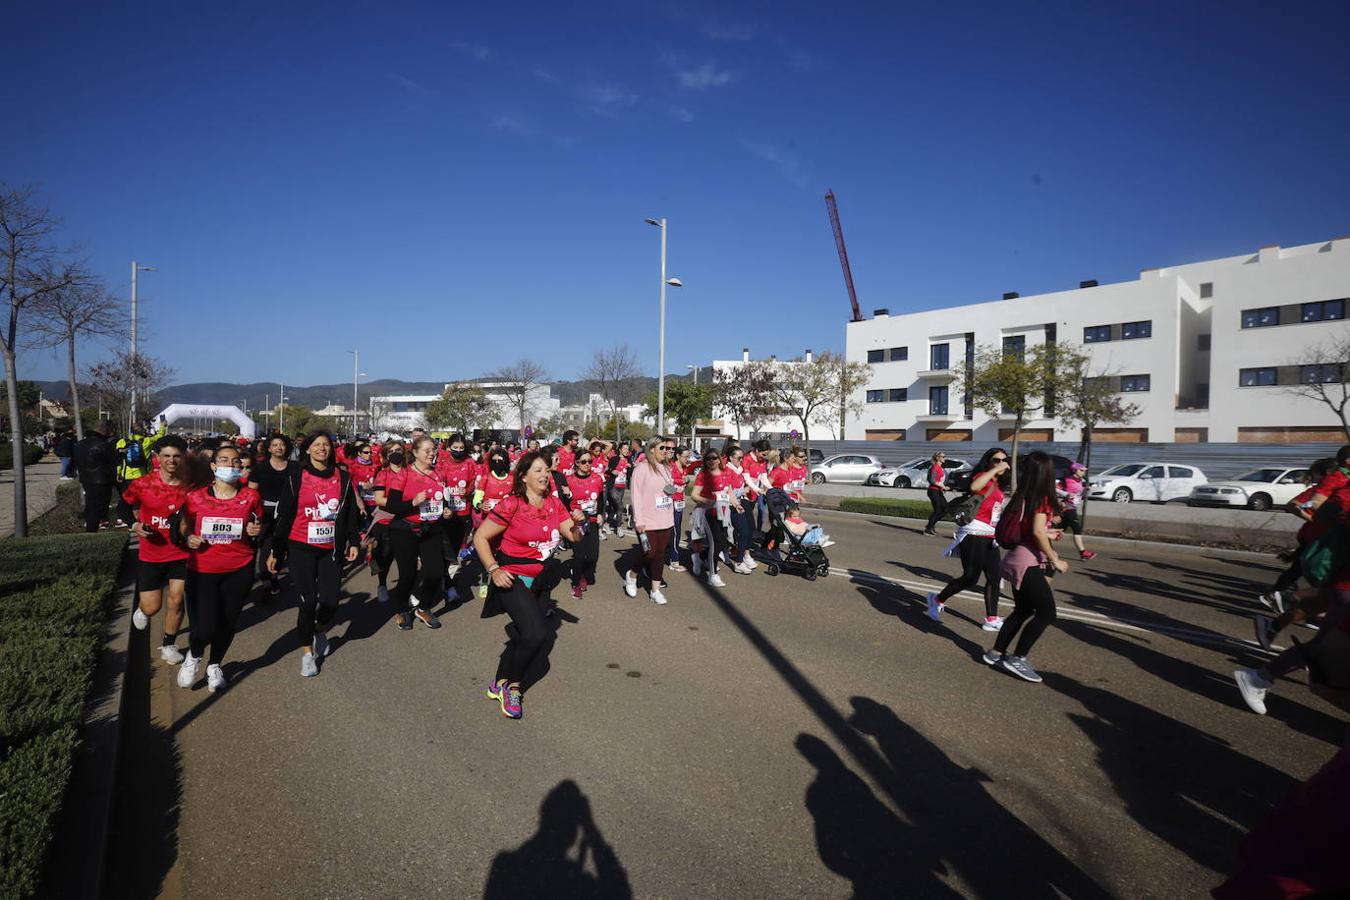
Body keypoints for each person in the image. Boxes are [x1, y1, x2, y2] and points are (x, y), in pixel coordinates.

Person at [473, 451, 581, 719]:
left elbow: (573, 536)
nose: (545, 474)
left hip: (542, 578)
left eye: (547, 469)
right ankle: (514, 686)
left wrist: (579, 525)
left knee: (525, 635)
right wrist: (494, 569)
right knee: (537, 635)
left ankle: (499, 683)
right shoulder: (512, 504)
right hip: (511, 576)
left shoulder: (555, 504)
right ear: (523, 476)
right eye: (538, 470)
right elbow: (480, 537)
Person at [267, 432, 362, 677]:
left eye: (326, 445)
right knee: (307, 602)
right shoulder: (296, 475)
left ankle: (319, 629)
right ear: (307, 450)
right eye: (316, 445)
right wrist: (276, 551)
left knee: (330, 602)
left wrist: (353, 540)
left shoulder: (342, 477)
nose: (322, 449)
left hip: (331, 548)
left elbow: (349, 513)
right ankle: (307, 654)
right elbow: (285, 516)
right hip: (301, 547)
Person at [173, 442, 264, 691]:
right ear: (213, 466)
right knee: (205, 626)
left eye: (236, 462)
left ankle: (215, 665)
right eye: (224, 460)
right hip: (203, 570)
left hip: (239, 568)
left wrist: (256, 530)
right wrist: (189, 535)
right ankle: (194, 654)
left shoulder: (251, 496)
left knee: (227, 623)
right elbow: (183, 525)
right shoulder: (196, 496)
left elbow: (257, 525)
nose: (231, 465)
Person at [981, 451, 1067, 683]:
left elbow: (1033, 530)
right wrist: (1054, 559)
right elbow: (1038, 532)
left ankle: (996, 652)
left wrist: (1048, 533)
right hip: (1027, 563)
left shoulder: (1025, 495)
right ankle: (1017, 658)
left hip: (1016, 558)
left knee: (1023, 610)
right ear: (1047, 474)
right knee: (1047, 614)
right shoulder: (1043, 499)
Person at [124, 435, 192, 664]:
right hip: (151, 554)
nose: (171, 461)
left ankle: (168, 644)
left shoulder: (191, 485)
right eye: (166, 456)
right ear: (157, 458)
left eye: (176, 456)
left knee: (176, 599)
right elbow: (123, 506)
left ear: (183, 458)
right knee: (153, 607)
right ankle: (143, 611)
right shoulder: (143, 484)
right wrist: (134, 524)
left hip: (181, 553)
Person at [928, 448, 1010, 631]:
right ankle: (936, 600)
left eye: (1004, 460)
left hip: (990, 534)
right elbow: (973, 488)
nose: (1000, 463)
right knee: (970, 577)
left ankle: (991, 618)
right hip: (974, 533)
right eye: (996, 460)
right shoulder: (983, 475)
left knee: (994, 578)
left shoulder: (998, 482)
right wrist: (994, 470)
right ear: (988, 462)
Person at [379, 434, 452, 630]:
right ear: (415, 453)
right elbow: (393, 506)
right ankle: (402, 609)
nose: (431, 453)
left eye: (433, 449)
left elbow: (442, 500)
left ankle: (423, 607)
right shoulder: (403, 474)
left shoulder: (438, 474)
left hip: (431, 529)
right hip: (405, 530)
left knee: (435, 573)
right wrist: (413, 502)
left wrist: (446, 509)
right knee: (408, 576)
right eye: (427, 450)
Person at [622, 436, 677, 605]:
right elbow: (636, 496)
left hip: (665, 518)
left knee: (660, 554)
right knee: (649, 552)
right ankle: (632, 575)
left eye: (668, 449)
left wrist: (674, 489)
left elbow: (668, 489)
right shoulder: (641, 468)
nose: (666, 452)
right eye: (662, 448)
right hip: (647, 519)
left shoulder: (666, 468)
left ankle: (655, 590)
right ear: (652, 449)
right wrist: (639, 520)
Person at [248, 434, 296, 598]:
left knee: (283, 547)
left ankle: (275, 572)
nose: (279, 448)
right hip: (266, 513)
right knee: (267, 547)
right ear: (269, 448)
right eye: (275, 445)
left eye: (282, 445)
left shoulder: (295, 467)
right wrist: (253, 513)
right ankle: (267, 581)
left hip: (289, 513)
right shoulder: (260, 468)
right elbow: (251, 491)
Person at [436, 433, 478, 600]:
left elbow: (474, 482)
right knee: (443, 546)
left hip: (463, 512)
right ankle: (443, 578)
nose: (458, 451)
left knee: (456, 548)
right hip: (445, 512)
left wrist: (467, 491)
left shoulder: (469, 463)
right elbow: (437, 482)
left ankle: (449, 580)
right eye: (455, 448)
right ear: (449, 448)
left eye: (461, 448)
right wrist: (444, 491)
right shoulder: (442, 462)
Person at [367, 439, 406, 604]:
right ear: (385, 456)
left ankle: (405, 590)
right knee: (386, 556)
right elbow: (379, 499)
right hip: (386, 522)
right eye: (391, 452)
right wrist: (402, 503)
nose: (396, 454)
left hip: (406, 521)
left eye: (398, 450)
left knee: (406, 557)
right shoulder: (383, 474)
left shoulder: (410, 471)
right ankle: (382, 585)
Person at [688, 448, 732, 587]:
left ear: (719, 459)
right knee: (715, 542)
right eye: (708, 458)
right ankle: (712, 575)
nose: (711, 461)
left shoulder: (726, 473)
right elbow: (694, 495)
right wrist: (708, 501)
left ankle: (699, 557)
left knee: (722, 542)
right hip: (708, 513)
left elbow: (729, 491)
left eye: (714, 458)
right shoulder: (703, 475)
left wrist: (736, 504)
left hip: (723, 513)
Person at [565, 447, 605, 599]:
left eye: (590, 461)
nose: (587, 464)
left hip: (593, 521)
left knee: (593, 556)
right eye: (584, 462)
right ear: (576, 463)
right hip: (577, 523)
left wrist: (601, 513)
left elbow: (601, 499)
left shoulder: (597, 478)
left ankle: (584, 573)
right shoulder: (569, 481)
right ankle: (576, 583)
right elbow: (563, 504)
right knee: (580, 555)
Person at [115, 417, 168, 527]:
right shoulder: (147, 441)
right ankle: (140, 522)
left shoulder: (122, 442)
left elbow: (119, 459)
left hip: (127, 476)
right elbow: (160, 436)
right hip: (143, 475)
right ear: (143, 431)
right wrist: (163, 425)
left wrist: (119, 472)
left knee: (130, 500)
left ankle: (131, 523)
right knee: (141, 501)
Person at [73, 420, 118, 532]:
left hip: (86, 480)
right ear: (105, 430)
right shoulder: (105, 445)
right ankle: (91, 533)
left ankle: (91, 529)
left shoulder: (80, 444)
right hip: (102, 482)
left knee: (91, 507)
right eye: (110, 430)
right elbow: (112, 463)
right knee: (96, 511)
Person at [723, 444, 757, 570]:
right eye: (738, 458)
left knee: (749, 530)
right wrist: (742, 491)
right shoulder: (727, 470)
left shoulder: (740, 470)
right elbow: (728, 492)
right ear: (731, 458)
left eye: (742, 458)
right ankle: (738, 561)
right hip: (732, 505)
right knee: (742, 532)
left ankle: (743, 556)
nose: (741, 460)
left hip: (742, 502)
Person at [1056, 462, 1096, 560]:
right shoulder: (1066, 480)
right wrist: (1065, 494)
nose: (1083, 472)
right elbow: (1054, 489)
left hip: (1073, 507)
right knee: (1077, 529)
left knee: (1059, 531)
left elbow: (1078, 493)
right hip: (1067, 508)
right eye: (1081, 470)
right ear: (1074, 470)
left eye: (1084, 471)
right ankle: (1083, 553)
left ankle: (1040, 545)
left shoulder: (1080, 480)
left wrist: (1086, 490)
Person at [666, 446, 691, 572]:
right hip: (671, 504)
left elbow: (683, 485)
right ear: (678, 456)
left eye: (688, 456)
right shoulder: (671, 467)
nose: (688, 459)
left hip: (680, 504)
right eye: (685, 456)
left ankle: (670, 554)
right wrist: (674, 494)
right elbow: (666, 487)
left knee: (676, 530)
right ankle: (674, 561)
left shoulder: (685, 468)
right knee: (675, 531)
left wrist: (685, 483)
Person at [603, 443, 632, 536]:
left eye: (627, 448)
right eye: (624, 448)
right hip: (613, 486)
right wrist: (612, 471)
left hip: (622, 486)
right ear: (620, 449)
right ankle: (619, 527)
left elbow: (630, 473)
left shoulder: (628, 460)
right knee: (620, 506)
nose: (626, 450)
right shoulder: (614, 459)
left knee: (614, 508)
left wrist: (631, 467)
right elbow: (608, 469)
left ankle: (607, 523)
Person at [923, 452, 950, 536]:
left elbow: (940, 480)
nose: (944, 458)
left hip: (938, 491)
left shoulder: (940, 468)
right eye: (943, 456)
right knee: (938, 510)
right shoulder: (934, 467)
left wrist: (942, 487)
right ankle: (928, 529)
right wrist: (943, 486)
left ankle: (930, 525)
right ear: (938, 458)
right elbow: (932, 480)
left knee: (945, 509)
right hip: (933, 491)